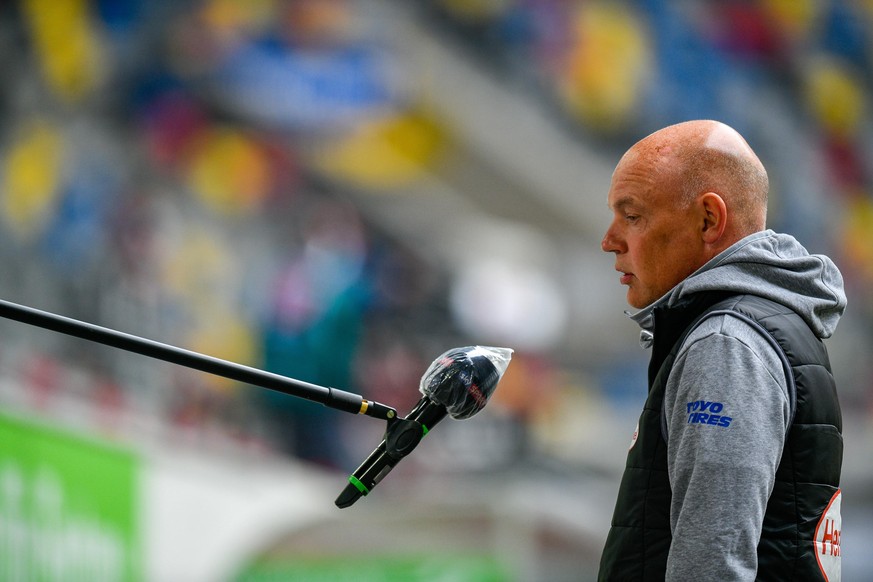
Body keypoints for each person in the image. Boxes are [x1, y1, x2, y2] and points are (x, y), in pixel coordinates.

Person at [597, 120, 846, 581]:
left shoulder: (726, 345)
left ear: (709, 219)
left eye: (631, 217)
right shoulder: (772, 324)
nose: (609, 241)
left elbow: (712, 565)